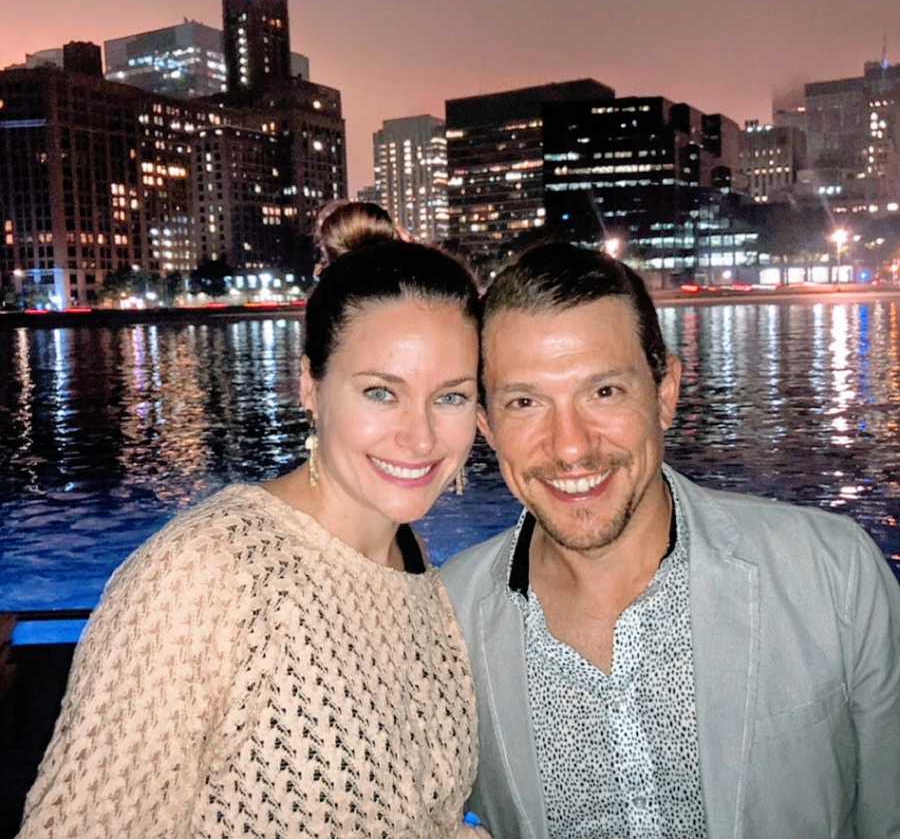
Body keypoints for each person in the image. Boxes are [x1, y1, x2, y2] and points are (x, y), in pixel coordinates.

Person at [20, 202, 489, 838]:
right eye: (381, 391)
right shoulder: (207, 574)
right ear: (310, 388)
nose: (421, 435)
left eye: (451, 396)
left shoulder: (421, 577)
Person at [441, 242, 900, 839]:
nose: (571, 446)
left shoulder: (833, 574)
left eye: (604, 392)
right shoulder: (445, 620)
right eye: (525, 403)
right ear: (488, 426)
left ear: (665, 393)